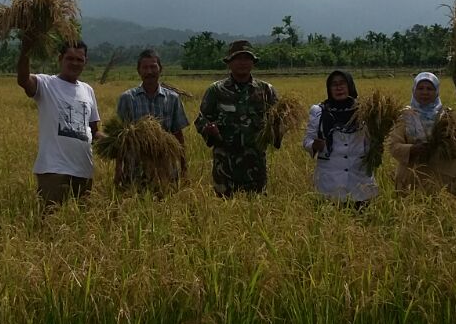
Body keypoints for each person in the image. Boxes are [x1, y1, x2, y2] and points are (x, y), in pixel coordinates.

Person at [18, 39, 102, 209]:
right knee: (52, 225)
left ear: (85, 62)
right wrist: (26, 49)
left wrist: (121, 140)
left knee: (82, 227)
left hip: (84, 170)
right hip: (54, 171)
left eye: (80, 59)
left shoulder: (87, 90)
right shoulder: (46, 83)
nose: (75, 63)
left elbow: (94, 132)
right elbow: (23, 80)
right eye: (70, 58)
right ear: (60, 59)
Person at [195, 40, 279, 197]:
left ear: (253, 62)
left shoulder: (266, 90)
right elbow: (201, 119)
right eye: (237, 58)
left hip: (255, 166)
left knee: (257, 212)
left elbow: (278, 121)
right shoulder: (216, 90)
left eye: (247, 58)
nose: (242, 62)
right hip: (225, 166)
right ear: (229, 63)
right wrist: (209, 129)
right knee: (223, 212)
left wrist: (277, 130)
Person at [114, 48, 190, 189]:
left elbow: (178, 135)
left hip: (166, 169)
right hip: (135, 170)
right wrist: (118, 169)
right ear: (139, 71)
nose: (149, 72)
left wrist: (184, 167)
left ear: (160, 69)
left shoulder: (172, 98)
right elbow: (120, 138)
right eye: (145, 67)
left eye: (153, 67)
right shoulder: (127, 98)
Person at [302, 70, 377, 206]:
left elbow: (372, 142)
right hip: (330, 181)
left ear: (350, 86)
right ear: (329, 89)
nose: (339, 88)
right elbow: (307, 140)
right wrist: (314, 145)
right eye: (334, 84)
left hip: (360, 180)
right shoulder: (319, 111)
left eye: (342, 83)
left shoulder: (365, 110)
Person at [392, 72, 456, 195]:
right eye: (420, 88)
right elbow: (394, 146)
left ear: (437, 91)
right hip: (413, 178)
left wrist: (448, 145)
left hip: (445, 179)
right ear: (414, 90)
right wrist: (412, 149)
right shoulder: (404, 116)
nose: (425, 92)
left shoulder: (448, 116)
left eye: (430, 88)